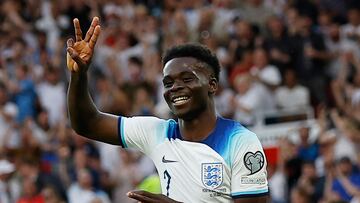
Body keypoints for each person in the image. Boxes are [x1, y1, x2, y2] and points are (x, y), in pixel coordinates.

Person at [66, 16, 269, 202]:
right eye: (168, 83)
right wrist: (78, 75)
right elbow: (87, 124)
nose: (175, 88)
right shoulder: (158, 132)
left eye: (187, 79)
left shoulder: (241, 141)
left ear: (212, 85)